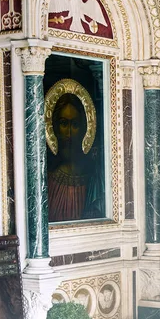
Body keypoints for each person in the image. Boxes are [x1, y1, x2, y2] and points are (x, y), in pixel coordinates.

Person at [48, 93, 103, 222]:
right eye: (63, 123)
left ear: (85, 127)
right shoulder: (47, 181)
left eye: (75, 124)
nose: (69, 133)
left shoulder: (95, 180)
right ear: (54, 127)